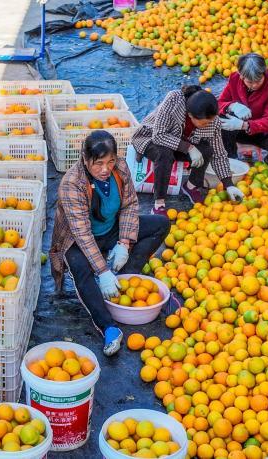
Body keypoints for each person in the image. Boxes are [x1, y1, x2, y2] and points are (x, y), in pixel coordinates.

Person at [49, 130, 170, 356]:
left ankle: (125, 275)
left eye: (110, 161)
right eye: (98, 163)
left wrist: (124, 242)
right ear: (85, 160)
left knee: (160, 224)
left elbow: (130, 205)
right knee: (82, 269)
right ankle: (108, 327)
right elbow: (81, 232)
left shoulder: (120, 169)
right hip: (77, 240)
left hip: (111, 230)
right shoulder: (72, 184)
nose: (105, 169)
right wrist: (102, 272)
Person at [131, 85, 244, 215]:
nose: (208, 124)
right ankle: (159, 204)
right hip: (151, 138)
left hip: (180, 142)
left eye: (210, 121)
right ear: (190, 115)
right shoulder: (174, 101)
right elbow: (159, 135)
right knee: (165, 154)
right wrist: (189, 148)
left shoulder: (213, 121)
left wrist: (228, 184)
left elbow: (219, 153)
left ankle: (191, 186)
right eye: (204, 123)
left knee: (206, 150)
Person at [218, 53, 268, 167]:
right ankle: (231, 158)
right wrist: (233, 106)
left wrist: (244, 125)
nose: (254, 85)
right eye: (250, 82)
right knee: (222, 120)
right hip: (240, 129)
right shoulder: (234, 79)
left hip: (264, 132)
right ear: (241, 76)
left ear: (264, 72)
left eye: (258, 80)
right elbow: (219, 103)